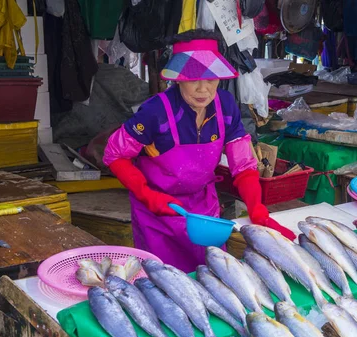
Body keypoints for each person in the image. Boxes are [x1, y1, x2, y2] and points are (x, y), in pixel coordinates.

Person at [103, 30, 295, 273]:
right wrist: (147, 195)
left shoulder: (225, 106)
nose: (203, 89)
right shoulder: (155, 112)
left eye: (211, 79)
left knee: (215, 275)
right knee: (166, 282)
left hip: (204, 211)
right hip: (158, 213)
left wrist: (256, 205)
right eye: (194, 79)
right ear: (178, 78)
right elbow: (115, 155)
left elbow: (243, 164)